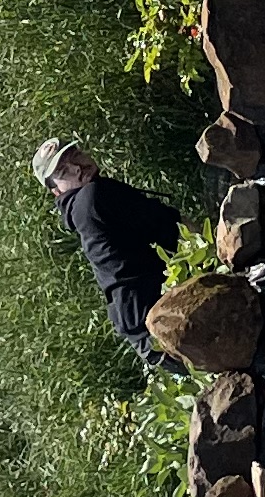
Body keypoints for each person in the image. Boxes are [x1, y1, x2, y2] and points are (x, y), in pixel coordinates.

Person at [34, 139, 182, 369]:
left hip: (147, 331)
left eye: (75, 155)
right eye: (64, 171)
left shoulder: (84, 204)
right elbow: (171, 228)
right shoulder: (93, 197)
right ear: (56, 191)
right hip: (163, 322)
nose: (77, 167)